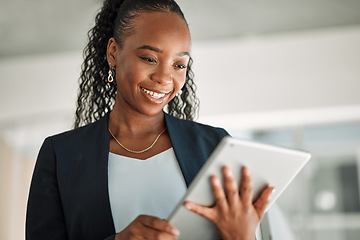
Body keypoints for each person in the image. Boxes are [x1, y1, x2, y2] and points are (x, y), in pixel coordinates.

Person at [26, 0, 274, 239]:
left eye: (179, 64)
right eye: (149, 59)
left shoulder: (214, 146)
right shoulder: (61, 155)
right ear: (113, 52)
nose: (165, 78)